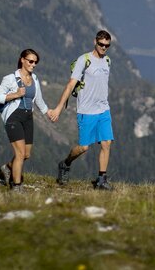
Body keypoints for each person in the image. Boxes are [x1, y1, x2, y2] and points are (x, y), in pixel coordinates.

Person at [48, 30, 115, 190]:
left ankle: (101, 180)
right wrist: (58, 108)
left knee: (106, 144)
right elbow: (71, 85)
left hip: (104, 109)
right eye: (101, 44)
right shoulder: (84, 60)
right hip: (86, 111)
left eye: (107, 45)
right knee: (83, 148)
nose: (103, 48)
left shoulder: (107, 61)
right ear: (95, 42)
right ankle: (65, 163)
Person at [0, 48, 50, 192]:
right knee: (19, 153)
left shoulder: (34, 78)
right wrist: (16, 94)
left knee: (26, 154)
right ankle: (16, 187)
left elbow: (39, 100)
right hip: (14, 117)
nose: (33, 64)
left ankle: (7, 168)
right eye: (31, 61)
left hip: (28, 118)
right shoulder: (10, 78)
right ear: (22, 60)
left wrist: (48, 112)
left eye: (36, 62)